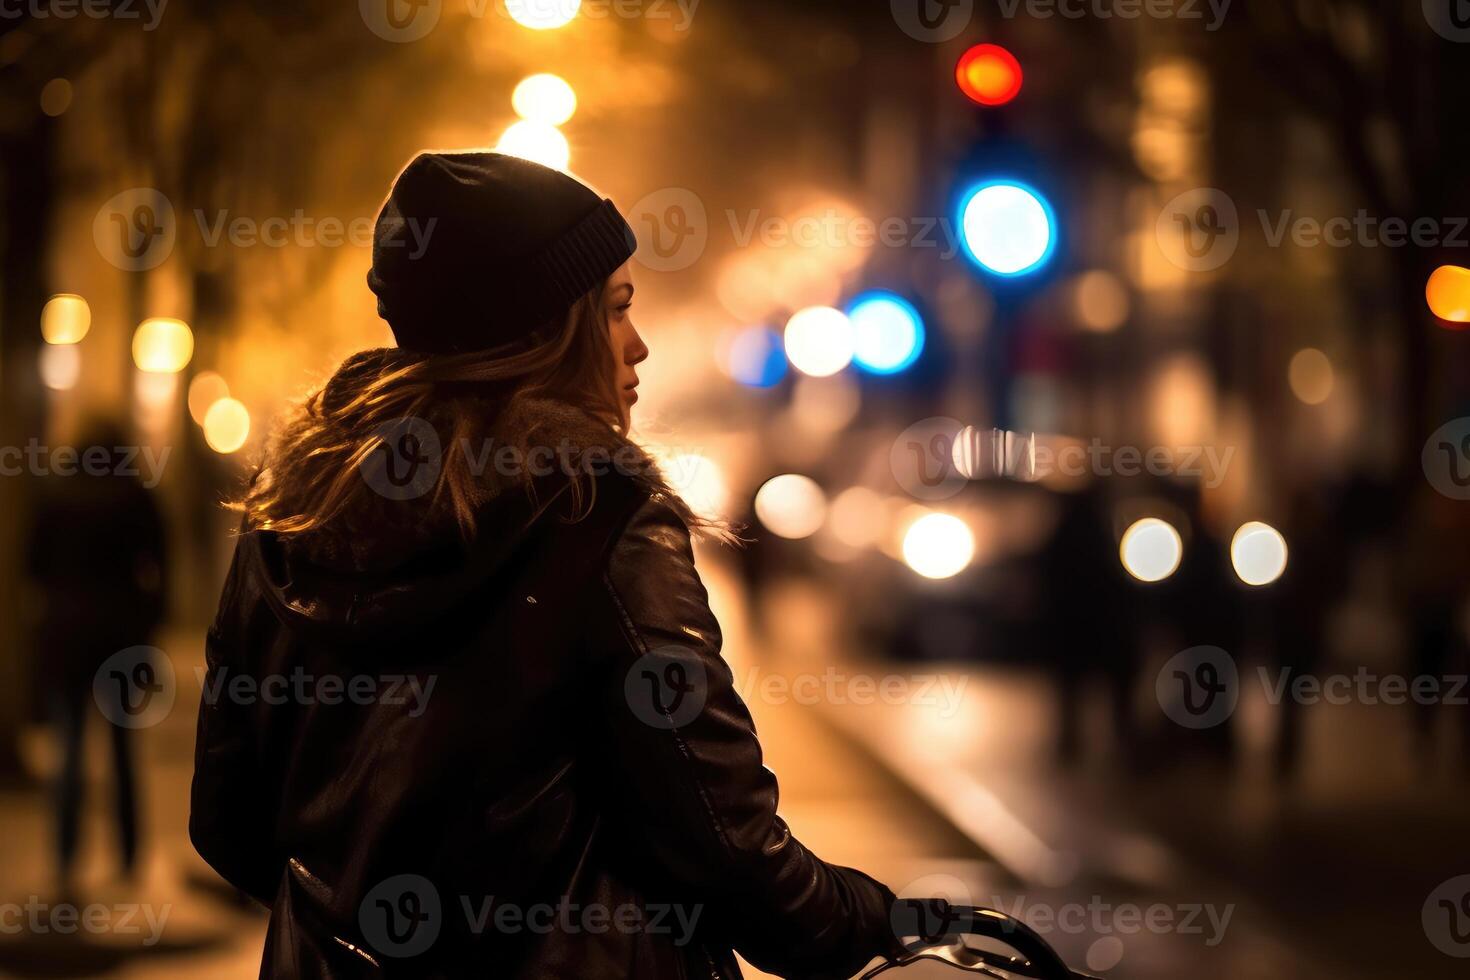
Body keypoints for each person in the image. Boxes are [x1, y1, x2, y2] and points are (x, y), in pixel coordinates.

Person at [189, 152, 904, 979]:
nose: (638, 347)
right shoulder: (594, 516)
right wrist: (874, 920)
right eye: (615, 311)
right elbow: (722, 838)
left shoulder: (291, 508)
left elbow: (228, 821)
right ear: (542, 332)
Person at [27, 418, 168, 897]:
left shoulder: (57, 495)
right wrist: (148, 628)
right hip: (118, 641)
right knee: (122, 751)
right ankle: (129, 856)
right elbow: (158, 570)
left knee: (68, 751)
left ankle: (66, 859)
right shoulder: (134, 496)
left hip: (65, 639)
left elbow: (35, 568)